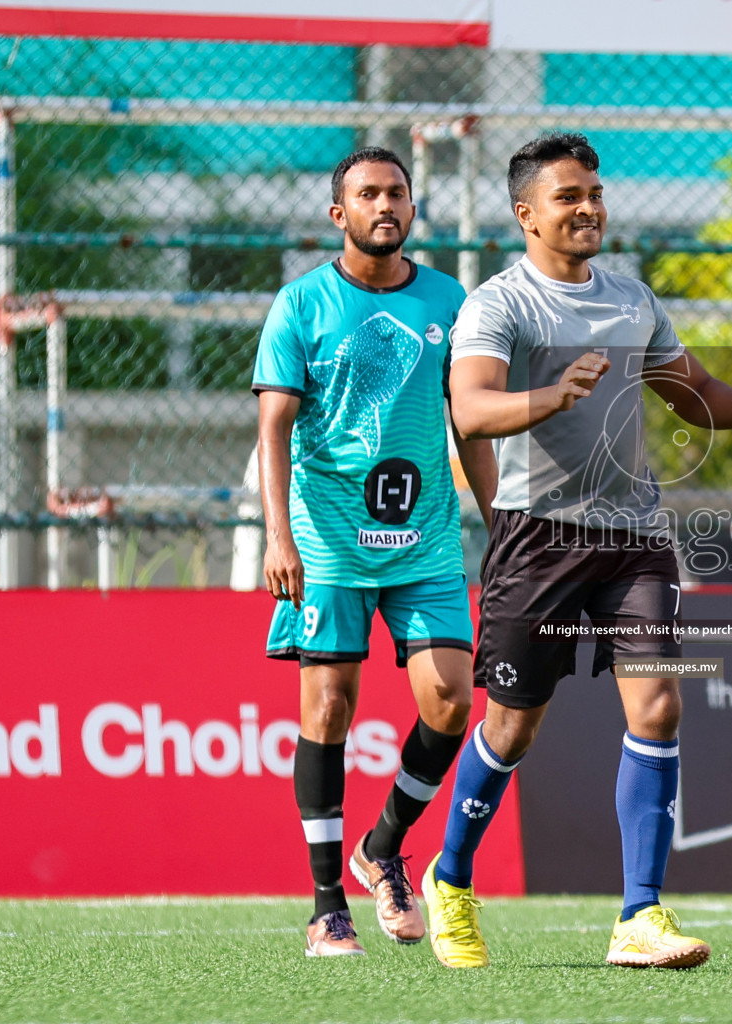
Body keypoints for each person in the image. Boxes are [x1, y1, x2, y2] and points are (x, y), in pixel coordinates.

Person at [424, 131, 732, 970]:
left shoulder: (634, 298)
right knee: (514, 728)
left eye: (595, 193)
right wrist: (551, 393)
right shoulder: (498, 305)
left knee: (659, 706)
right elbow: (473, 409)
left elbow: (698, 395)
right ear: (526, 214)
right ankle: (449, 877)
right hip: (537, 539)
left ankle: (640, 914)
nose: (589, 207)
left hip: (634, 537)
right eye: (568, 197)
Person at [253, 146, 496, 958]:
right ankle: (327, 905)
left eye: (396, 193)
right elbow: (274, 428)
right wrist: (278, 536)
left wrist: (504, 525)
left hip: (424, 538)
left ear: (412, 209)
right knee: (328, 709)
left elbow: (470, 422)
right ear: (340, 214)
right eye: (367, 194)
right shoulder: (301, 304)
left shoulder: (449, 301)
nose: (384, 205)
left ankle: (383, 847)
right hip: (325, 539)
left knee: (451, 702)